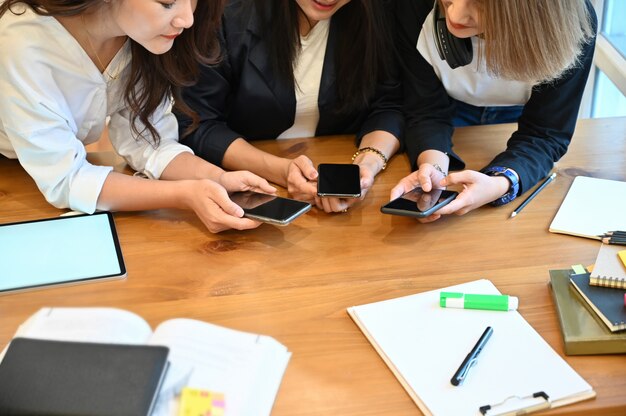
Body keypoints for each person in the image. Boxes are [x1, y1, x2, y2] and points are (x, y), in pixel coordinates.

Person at [0, 0, 276, 233]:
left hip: (41, 168)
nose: (187, 18)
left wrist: (216, 179)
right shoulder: (23, 41)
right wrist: (184, 195)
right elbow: (66, 180)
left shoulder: (141, 37)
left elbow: (148, 140)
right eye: (167, 3)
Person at [177, 0, 404, 213]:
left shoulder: (376, 11)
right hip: (250, 193)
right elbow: (198, 122)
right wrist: (282, 171)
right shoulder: (227, 13)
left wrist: (368, 163)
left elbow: (389, 104)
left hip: (345, 199)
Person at [391, 0, 596, 221]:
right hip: (450, 106)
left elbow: (545, 133)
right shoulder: (413, 7)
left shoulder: (573, 25)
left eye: (481, 5)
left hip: (521, 112)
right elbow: (425, 110)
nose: (456, 15)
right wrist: (433, 170)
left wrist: (501, 183)